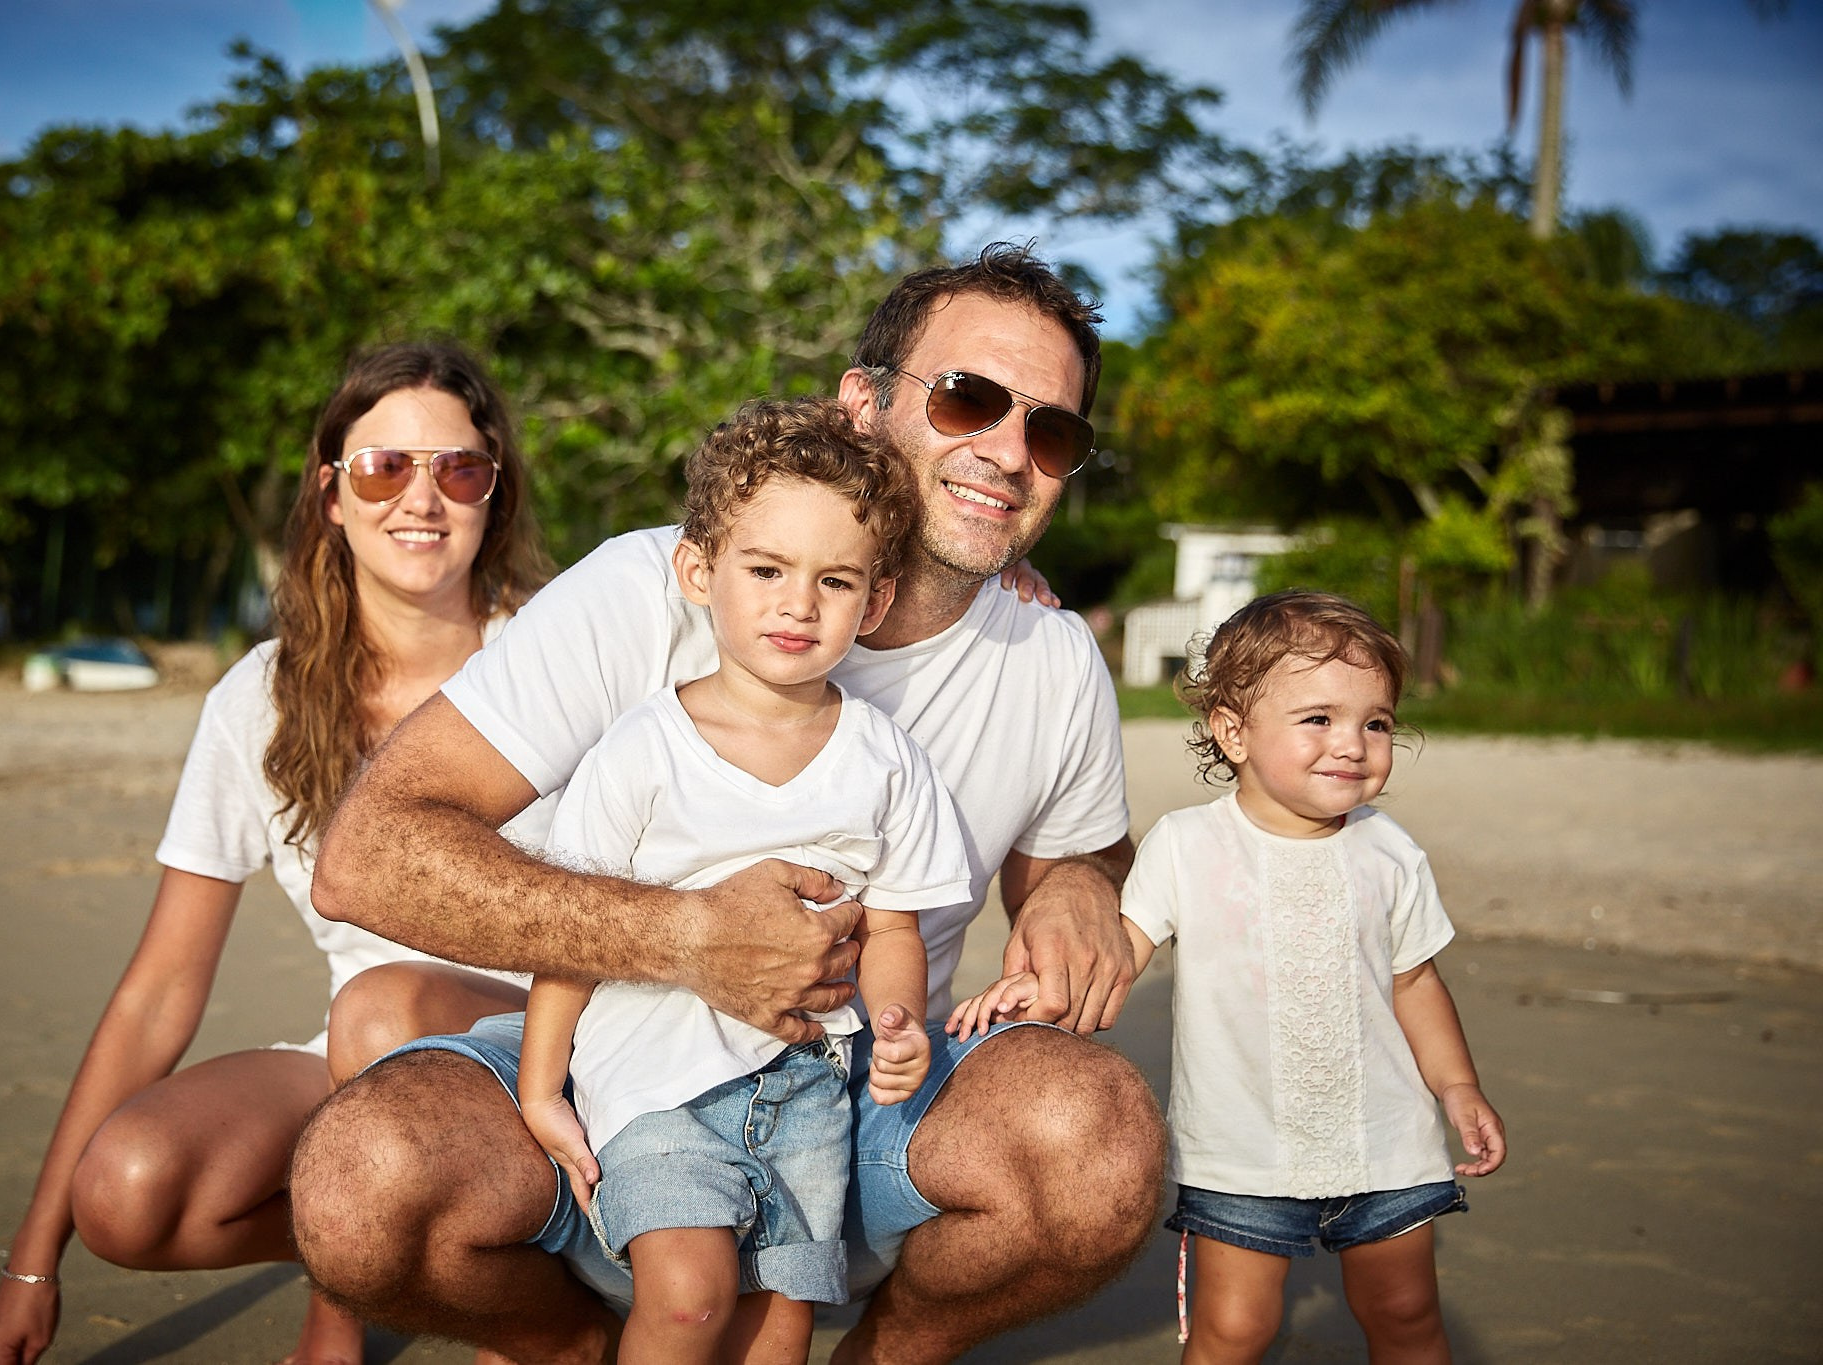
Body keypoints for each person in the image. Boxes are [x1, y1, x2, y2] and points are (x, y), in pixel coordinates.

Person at [290, 244, 1167, 1365]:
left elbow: (1081, 856)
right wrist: (690, 939)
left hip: (862, 1093)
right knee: (356, 1188)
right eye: (969, 400)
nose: (1006, 452)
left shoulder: (1048, 654)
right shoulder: (642, 589)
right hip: (622, 1075)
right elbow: (366, 855)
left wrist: (1084, 887)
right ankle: (569, 1345)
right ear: (863, 403)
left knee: (1101, 1146)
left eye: (1051, 432)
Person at [0, 341, 551, 1365]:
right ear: (330, 495)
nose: (421, 499)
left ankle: (403, 1306)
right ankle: (418, 1261)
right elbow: (158, 990)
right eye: (383, 468)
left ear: (492, 494)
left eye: (457, 468)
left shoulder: (555, 656)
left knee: (385, 1006)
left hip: (562, 1052)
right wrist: (34, 1258)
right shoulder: (261, 698)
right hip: (363, 1061)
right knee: (132, 1189)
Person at [512, 397, 970, 1363]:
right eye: (765, 570)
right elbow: (575, 933)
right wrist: (541, 1082)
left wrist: (897, 1023)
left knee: (781, 1320)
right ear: (698, 570)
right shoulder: (642, 751)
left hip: (810, 1090)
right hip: (653, 1083)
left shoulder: (886, 761)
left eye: (834, 580)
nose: (797, 604)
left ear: (875, 602)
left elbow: (891, 930)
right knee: (687, 1297)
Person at [958, 590, 1508, 1363]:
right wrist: (1040, 986)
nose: (1351, 742)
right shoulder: (1187, 845)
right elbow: (1120, 947)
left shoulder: (1390, 852)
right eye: (1318, 718)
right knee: (1234, 1328)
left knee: (1407, 1312)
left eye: (1376, 722)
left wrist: (1457, 1087)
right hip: (1241, 1149)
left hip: (1386, 1141)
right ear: (1233, 730)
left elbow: (1414, 983)